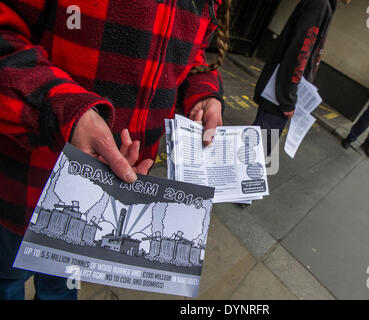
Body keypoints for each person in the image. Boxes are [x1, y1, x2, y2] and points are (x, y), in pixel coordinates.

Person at [0, 0, 231, 300]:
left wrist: (203, 91)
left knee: (62, 286)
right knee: (7, 281)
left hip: (109, 200)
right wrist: (63, 108)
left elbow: (194, 55)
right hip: (25, 181)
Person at [252, 0, 341, 156]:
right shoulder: (320, 5)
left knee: (255, 150)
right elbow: (299, 54)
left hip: (278, 95)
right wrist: (287, 101)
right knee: (255, 155)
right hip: (277, 99)